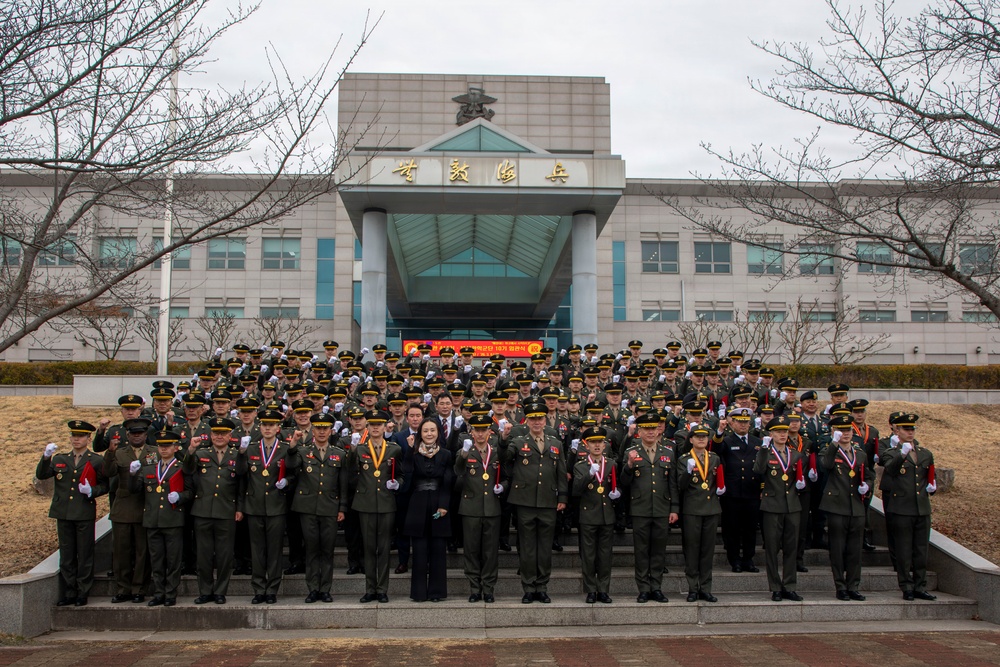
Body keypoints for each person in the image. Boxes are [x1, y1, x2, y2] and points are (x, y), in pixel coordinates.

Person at [37, 420, 108, 607]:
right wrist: (46, 458)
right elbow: (43, 475)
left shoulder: (96, 460)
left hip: (83, 511)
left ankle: (82, 591)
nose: (76, 439)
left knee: (84, 553)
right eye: (74, 436)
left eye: (81, 436)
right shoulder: (60, 459)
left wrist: (92, 491)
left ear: (88, 438)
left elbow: (105, 485)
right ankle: (69, 591)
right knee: (67, 554)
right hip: (64, 512)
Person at [503, 401, 568, 604]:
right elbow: (505, 457)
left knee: (544, 548)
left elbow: (561, 471)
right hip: (525, 501)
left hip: (548, 501)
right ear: (527, 421)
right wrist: (503, 438)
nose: (537, 422)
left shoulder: (555, 442)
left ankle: (542, 586)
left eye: (540, 418)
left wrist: (563, 498)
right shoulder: (517, 441)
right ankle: (529, 587)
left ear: (545, 419)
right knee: (528, 547)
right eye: (533, 419)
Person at [286, 412, 349, 603]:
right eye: (318, 428)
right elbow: (290, 465)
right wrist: (292, 446)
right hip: (308, 507)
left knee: (327, 549)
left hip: (330, 507)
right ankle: (313, 588)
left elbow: (343, 483)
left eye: (325, 428)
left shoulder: (339, 454)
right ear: (312, 430)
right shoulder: (303, 451)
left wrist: (342, 508)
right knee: (312, 548)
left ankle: (325, 588)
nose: (322, 432)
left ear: (331, 431)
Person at [184, 416, 246, 605]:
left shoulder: (237, 455)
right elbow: (187, 470)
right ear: (210, 435)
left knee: (225, 555)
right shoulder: (201, 453)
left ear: (230, 435)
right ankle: (205, 591)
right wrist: (191, 450)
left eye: (223, 433)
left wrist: (240, 508)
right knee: (203, 555)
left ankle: (220, 591)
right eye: (216, 433)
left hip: (227, 510)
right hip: (203, 511)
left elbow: (242, 482)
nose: (219, 437)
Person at [880, 412, 938, 601]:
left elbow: (928, 476)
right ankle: (906, 586)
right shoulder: (891, 452)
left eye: (912, 429)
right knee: (904, 551)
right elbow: (890, 470)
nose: (910, 432)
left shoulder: (925, 453)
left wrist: (932, 486)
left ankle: (920, 585)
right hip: (901, 508)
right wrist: (902, 453)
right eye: (906, 429)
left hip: (921, 508)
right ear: (897, 430)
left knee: (921, 550)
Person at [129, 430, 190, 607]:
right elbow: (135, 490)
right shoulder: (149, 468)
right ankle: (159, 592)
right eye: (161, 446)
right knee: (156, 559)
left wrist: (180, 497)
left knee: (173, 559)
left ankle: (170, 592)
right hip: (153, 519)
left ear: (175, 447)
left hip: (172, 519)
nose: (164, 449)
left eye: (168, 446)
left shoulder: (180, 468)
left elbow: (190, 492)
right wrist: (132, 475)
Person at [619, 412, 675, 603]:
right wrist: (628, 465)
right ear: (639, 431)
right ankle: (643, 587)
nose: (651, 432)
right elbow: (623, 483)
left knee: (659, 551)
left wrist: (674, 508)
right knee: (641, 551)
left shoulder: (667, 453)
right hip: (640, 508)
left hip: (661, 507)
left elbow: (672, 484)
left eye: (654, 428)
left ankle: (656, 587)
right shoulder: (632, 452)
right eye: (646, 429)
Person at [240, 408, 292, 604]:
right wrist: (240, 453)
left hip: (276, 506)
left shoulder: (285, 449)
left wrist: (286, 482)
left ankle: (272, 589)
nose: (268, 428)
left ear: (278, 428)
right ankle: (258, 588)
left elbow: (293, 472)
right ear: (260, 427)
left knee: (274, 550)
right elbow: (241, 476)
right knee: (257, 550)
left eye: (272, 425)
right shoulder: (251, 448)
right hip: (254, 506)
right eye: (264, 425)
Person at [352, 409, 404, 604]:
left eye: (379, 424)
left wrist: (397, 484)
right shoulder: (360, 449)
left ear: (384, 427)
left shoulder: (394, 449)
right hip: (365, 504)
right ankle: (370, 588)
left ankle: (382, 589)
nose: (375, 427)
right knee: (368, 548)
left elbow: (401, 475)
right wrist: (351, 450)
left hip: (386, 503)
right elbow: (350, 473)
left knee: (383, 549)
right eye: (372, 424)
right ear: (367, 426)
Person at [821, 415, 874, 601]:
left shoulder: (860, 453)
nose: (845, 434)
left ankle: (853, 585)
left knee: (855, 549)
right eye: (841, 430)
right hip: (837, 505)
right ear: (834, 432)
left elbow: (868, 474)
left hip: (856, 506)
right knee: (837, 548)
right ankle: (840, 586)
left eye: (848, 430)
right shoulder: (829, 451)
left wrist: (866, 486)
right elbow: (825, 465)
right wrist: (833, 444)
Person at [103, 416, 156, 603]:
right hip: (124, 507)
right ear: (127, 434)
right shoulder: (119, 453)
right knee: (121, 551)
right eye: (133, 433)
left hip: (145, 506)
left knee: (143, 552)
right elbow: (107, 472)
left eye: (140, 433)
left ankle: (139, 588)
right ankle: (123, 588)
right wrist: (110, 452)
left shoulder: (154, 452)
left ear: (146, 433)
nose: (137, 436)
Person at [754, 415, 806, 602]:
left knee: (791, 548)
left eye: (784, 431)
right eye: (778, 432)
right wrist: (763, 449)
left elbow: (800, 474)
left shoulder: (795, 454)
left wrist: (802, 482)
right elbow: (758, 470)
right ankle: (775, 586)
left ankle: (790, 585)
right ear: (771, 434)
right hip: (772, 505)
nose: (782, 435)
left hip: (792, 505)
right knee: (772, 548)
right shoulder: (766, 453)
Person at [403, 418, 454, 602]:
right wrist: (409, 450)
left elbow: (448, 482)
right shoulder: (414, 453)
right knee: (419, 551)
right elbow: (407, 473)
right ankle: (418, 593)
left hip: (439, 505)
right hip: (418, 504)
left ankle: (437, 592)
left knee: (438, 551)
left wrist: (444, 505)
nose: (429, 434)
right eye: (425, 431)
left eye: (433, 430)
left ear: (438, 433)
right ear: (420, 434)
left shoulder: (446, 454)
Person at [454, 413, 503, 603]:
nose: (480, 434)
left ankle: (489, 588)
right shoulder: (465, 451)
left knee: (490, 552)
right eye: (477, 430)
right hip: (470, 508)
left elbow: (506, 476)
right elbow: (457, 471)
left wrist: (503, 487)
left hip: (492, 507)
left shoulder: (497, 452)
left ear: (490, 432)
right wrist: (464, 454)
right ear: (471, 432)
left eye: (484, 430)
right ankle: (474, 587)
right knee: (472, 550)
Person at [675, 425, 724, 602]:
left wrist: (721, 488)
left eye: (704, 437)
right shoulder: (684, 459)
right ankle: (692, 587)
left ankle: (705, 587)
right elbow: (680, 485)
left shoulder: (714, 458)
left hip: (711, 508)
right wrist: (688, 472)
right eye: (698, 437)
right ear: (691, 440)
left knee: (707, 551)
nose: (702, 439)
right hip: (692, 509)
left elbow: (718, 478)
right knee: (692, 549)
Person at [572, 426, 619, 604]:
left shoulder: (612, 464)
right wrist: (589, 475)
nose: (597, 446)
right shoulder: (581, 466)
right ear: (587, 445)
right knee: (589, 555)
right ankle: (591, 589)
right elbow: (576, 490)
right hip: (588, 515)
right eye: (593, 442)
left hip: (607, 514)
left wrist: (617, 493)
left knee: (605, 556)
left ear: (605, 445)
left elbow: (618, 484)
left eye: (600, 442)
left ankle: (604, 590)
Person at [713, 407, 762, 573]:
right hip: (732, 492)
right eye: (739, 422)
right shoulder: (726, 440)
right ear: (732, 423)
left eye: (746, 422)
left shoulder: (757, 441)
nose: (743, 425)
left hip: (752, 491)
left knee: (750, 528)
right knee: (732, 528)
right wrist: (719, 432)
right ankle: (734, 560)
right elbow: (716, 449)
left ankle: (748, 559)